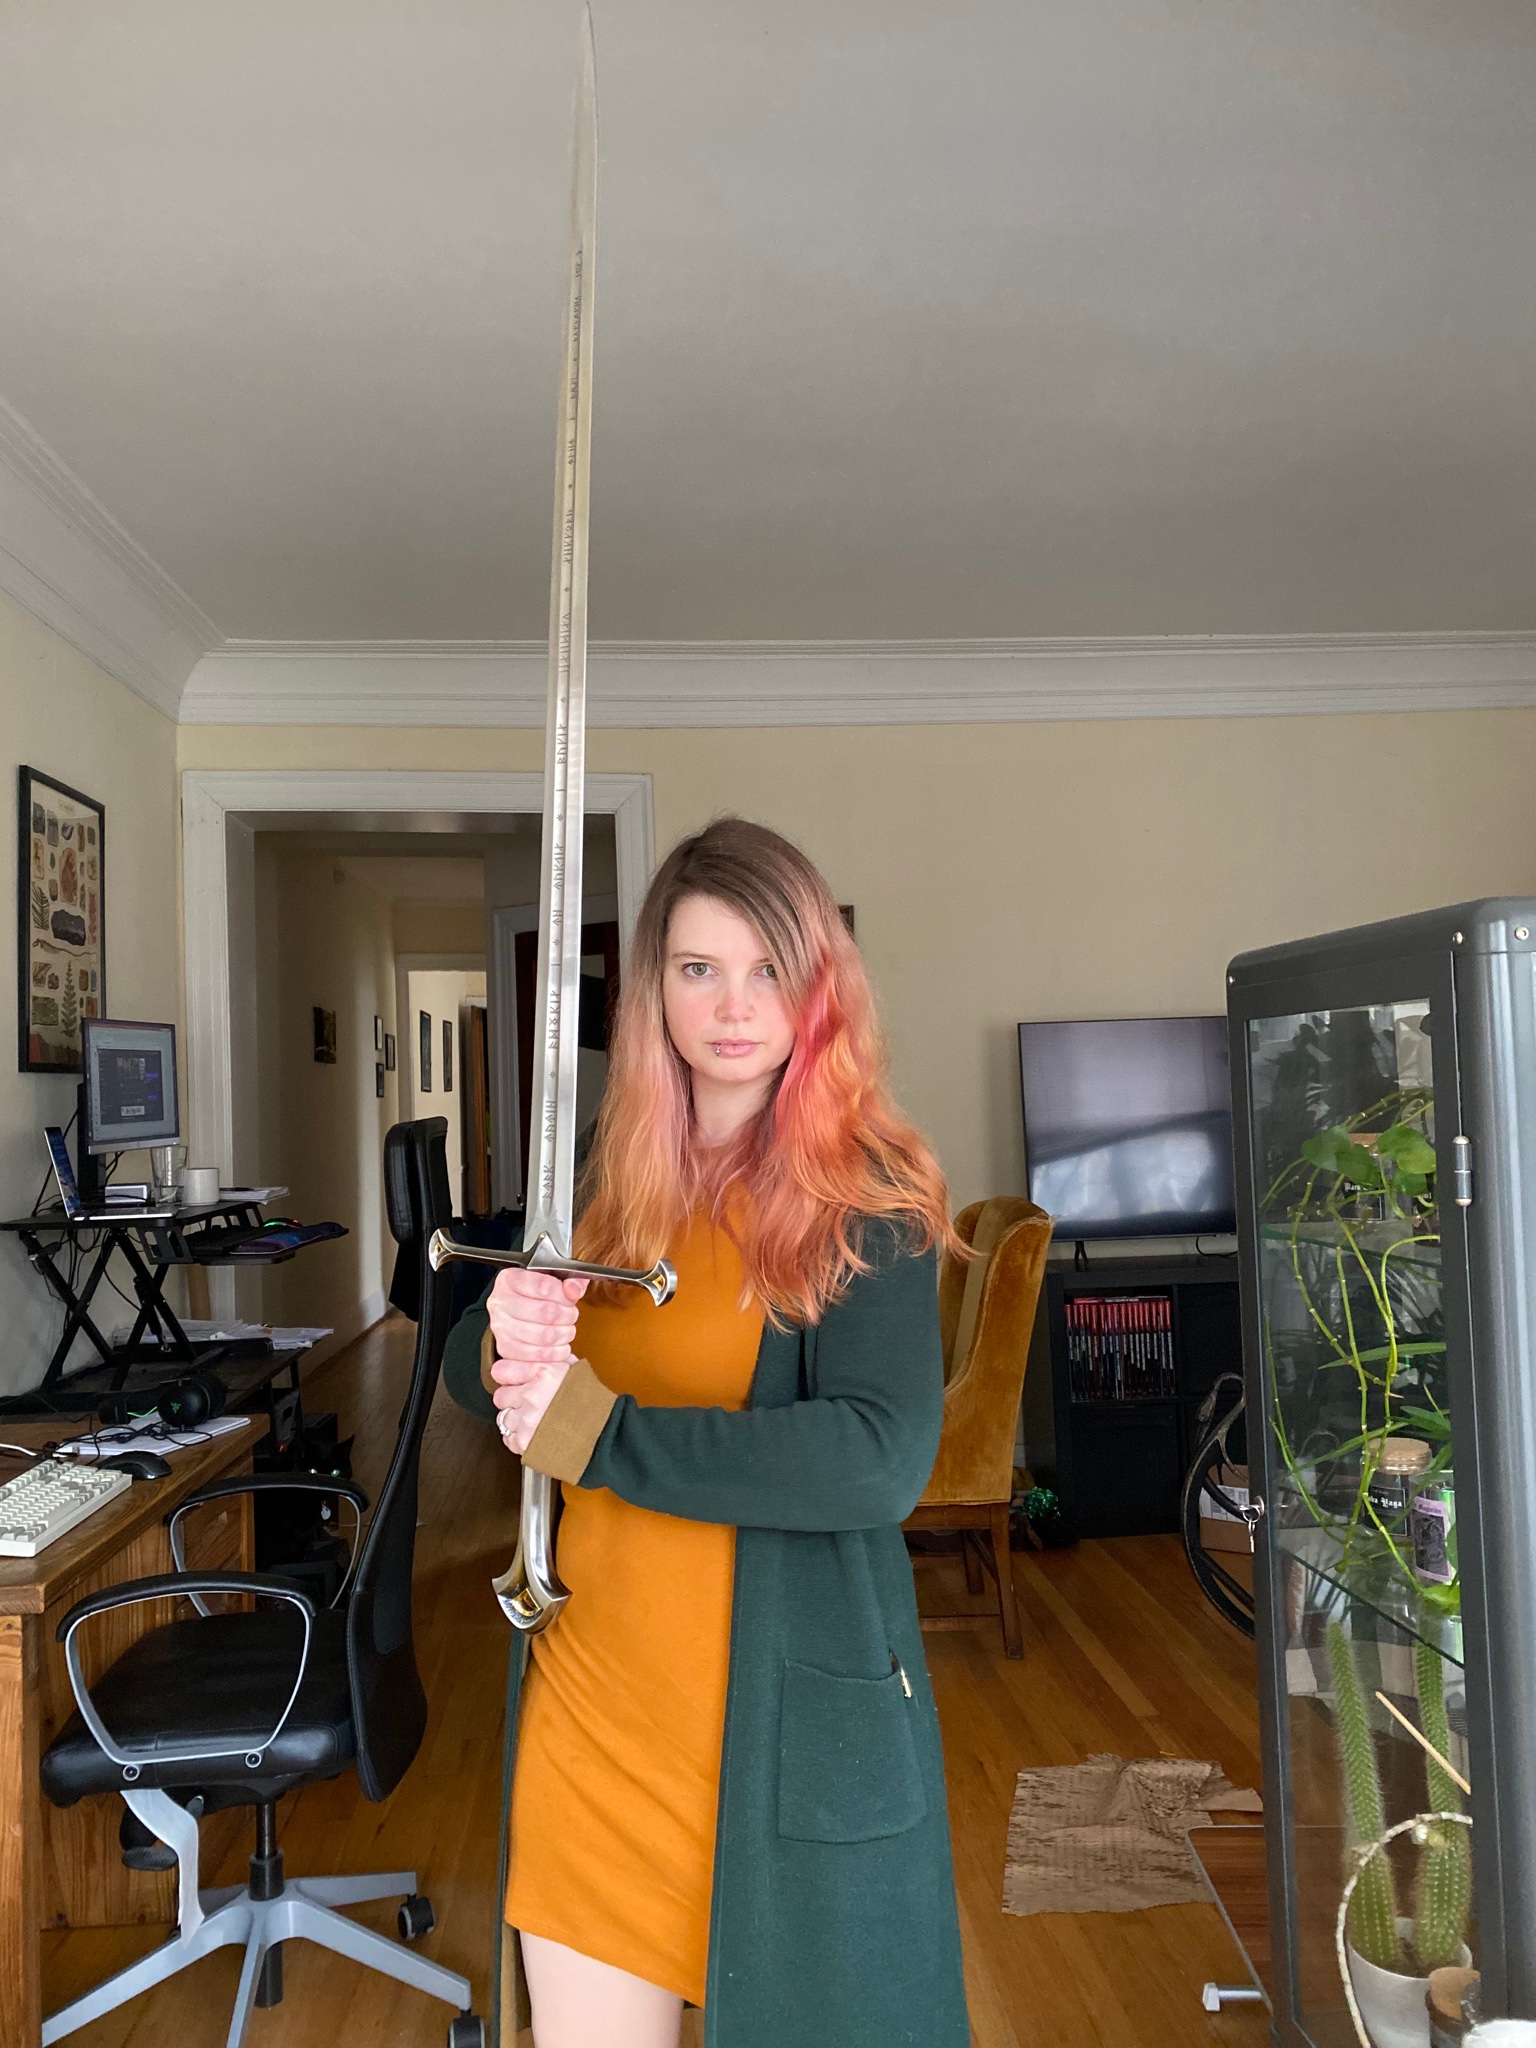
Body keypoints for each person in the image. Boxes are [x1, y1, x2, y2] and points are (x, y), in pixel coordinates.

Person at [442, 816, 970, 2048]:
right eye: (698, 967)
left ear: (818, 985)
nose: (734, 1006)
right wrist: (504, 1329)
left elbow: (878, 1457)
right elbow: (486, 1378)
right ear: (654, 990)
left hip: (781, 1730)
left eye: (767, 968)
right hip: (596, 1709)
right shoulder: (612, 1173)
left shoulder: (872, 1196)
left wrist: (600, 1432)